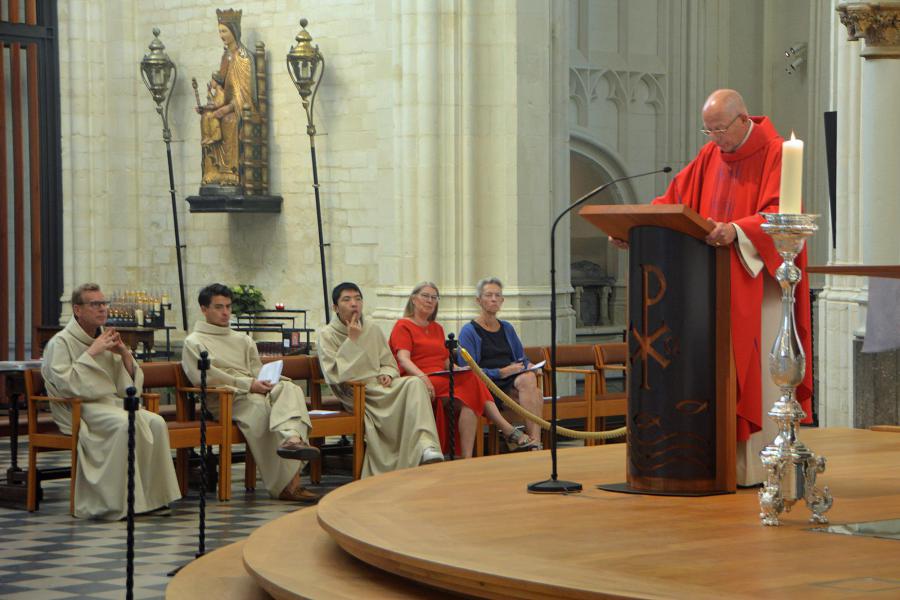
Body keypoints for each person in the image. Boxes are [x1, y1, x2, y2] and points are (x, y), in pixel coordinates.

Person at [609, 89, 813, 486]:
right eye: (709, 130)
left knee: (751, 371)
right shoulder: (708, 157)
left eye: (720, 129)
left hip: (758, 289)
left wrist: (736, 230)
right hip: (705, 291)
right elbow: (672, 203)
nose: (715, 138)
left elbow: (779, 214)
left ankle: (754, 467)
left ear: (743, 119)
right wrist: (633, 229)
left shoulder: (774, 153)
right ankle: (713, 461)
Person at [41, 283, 181, 519]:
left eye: (104, 303)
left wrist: (124, 354)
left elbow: (126, 387)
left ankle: (154, 499)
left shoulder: (106, 337)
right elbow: (66, 386)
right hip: (80, 408)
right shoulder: (61, 343)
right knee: (125, 423)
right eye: (95, 304)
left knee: (156, 422)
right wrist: (92, 352)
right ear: (77, 309)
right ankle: (123, 502)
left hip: (110, 403)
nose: (102, 308)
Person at [182, 283, 321, 503]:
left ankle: (292, 440)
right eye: (219, 307)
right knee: (262, 408)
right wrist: (249, 385)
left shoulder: (242, 339)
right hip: (226, 398)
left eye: (228, 306)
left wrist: (272, 381)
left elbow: (257, 371)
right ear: (203, 309)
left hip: (254, 390)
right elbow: (205, 377)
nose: (226, 312)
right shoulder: (194, 342)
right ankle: (287, 485)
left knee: (290, 389)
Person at [389, 282, 539, 457]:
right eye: (425, 296)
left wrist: (460, 369)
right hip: (419, 379)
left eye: (434, 297)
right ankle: (508, 430)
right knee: (474, 380)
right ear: (414, 299)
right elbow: (403, 359)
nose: (430, 301)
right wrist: (423, 377)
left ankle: (466, 458)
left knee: (470, 401)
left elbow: (446, 362)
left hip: (442, 377)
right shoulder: (403, 325)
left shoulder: (437, 328)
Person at [317, 282, 444, 477]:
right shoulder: (326, 335)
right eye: (347, 299)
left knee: (414, 383)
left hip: (380, 386)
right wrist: (352, 340)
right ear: (335, 308)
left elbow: (389, 362)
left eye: (358, 299)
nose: (354, 304)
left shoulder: (372, 328)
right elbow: (334, 375)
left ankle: (426, 446)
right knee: (406, 394)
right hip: (357, 393)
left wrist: (388, 373)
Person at [458, 277, 544, 447]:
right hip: (486, 385)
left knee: (529, 379)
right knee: (537, 395)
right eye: (489, 295)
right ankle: (532, 443)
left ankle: (534, 441)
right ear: (478, 300)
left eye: (498, 296)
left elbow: (520, 358)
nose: (494, 299)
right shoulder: (469, 331)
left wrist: (531, 366)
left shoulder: (507, 328)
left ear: (502, 300)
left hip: (512, 383)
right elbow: (468, 369)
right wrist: (501, 372)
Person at [200, 8, 257, 187]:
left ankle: (232, 173)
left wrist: (229, 107)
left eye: (224, 31)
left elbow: (245, 93)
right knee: (207, 117)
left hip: (242, 107)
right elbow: (221, 83)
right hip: (225, 104)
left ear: (234, 31)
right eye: (219, 31)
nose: (221, 35)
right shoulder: (226, 56)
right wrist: (212, 99)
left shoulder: (244, 58)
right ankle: (213, 171)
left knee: (229, 121)